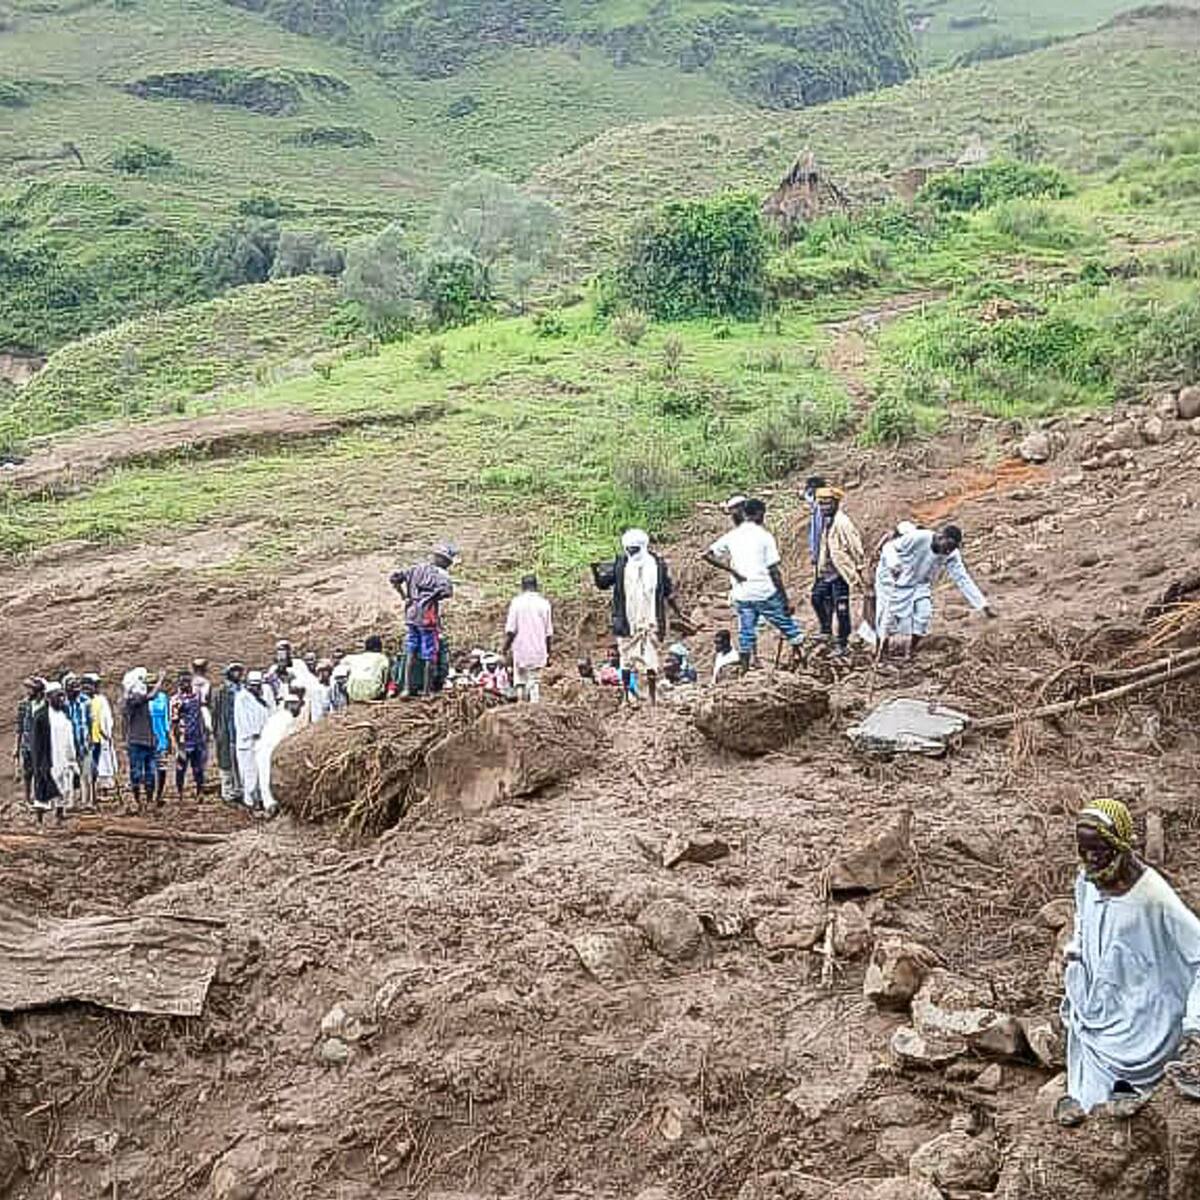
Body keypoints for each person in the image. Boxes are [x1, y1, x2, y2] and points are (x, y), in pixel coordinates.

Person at [1056, 798, 1200, 1125]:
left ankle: (1129, 1090)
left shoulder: (1153, 896)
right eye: (1083, 851)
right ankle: (1085, 1099)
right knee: (1089, 1099)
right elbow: (1083, 921)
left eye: (1098, 851)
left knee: (1123, 1094)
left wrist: (1194, 1025)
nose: (1090, 859)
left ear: (1120, 846)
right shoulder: (1087, 880)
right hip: (1102, 1008)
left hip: (1147, 1020)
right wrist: (1077, 952)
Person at [701, 497, 805, 672]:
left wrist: (733, 571)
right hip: (763, 591)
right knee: (787, 625)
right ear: (759, 514)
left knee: (746, 632)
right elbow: (774, 571)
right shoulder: (764, 536)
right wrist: (784, 600)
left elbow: (706, 555)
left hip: (742, 594)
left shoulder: (732, 536)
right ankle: (802, 659)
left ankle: (744, 670)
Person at [874, 522, 997, 658]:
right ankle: (881, 652)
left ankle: (910, 651)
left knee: (924, 614)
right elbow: (889, 547)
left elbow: (962, 578)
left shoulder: (951, 554)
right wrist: (894, 565)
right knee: (887, 617)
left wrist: (982, 605)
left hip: (919, 584)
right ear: (940, 537)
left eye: (952, 549)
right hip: (892, 578)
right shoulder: (920, 537)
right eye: (947, 546)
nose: (947, 552)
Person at [593, 529, 683, 706]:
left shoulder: (657, 565)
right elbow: (603, 584)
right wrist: (596, 572)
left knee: (651, 659)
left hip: (650, 621)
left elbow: (667, 590)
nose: (631, 552)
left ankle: (652, 697)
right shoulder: (621, 564)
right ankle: (627, 696)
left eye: (634, 549)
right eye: (629, 549)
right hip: (627, 621)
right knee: (626, 660)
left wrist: (678, 612)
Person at [392, 544, 457, 698]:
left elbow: (394, 578)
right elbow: (447, 592)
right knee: (430, 653)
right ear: (443, 560)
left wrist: (404, 596)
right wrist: (433, 597)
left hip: (411, 615)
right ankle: (427, 691)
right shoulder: (441, 574)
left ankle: (407, 688)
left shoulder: (415, 569)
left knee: (411, 650)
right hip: (427, 617)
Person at [811, 486, 867, 657]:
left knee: (841, 609)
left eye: (827, 504)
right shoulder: (828, 521)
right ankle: (826, 630)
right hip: (826, 572)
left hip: (840, 574)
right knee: (816, 598)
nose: (824, 508)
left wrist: (859, 567)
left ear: (836, 503)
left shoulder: (843, 523)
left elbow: (856, 547)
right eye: (821, 504)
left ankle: (842, 643)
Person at [504, 575, 554, 703]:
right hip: (538, 650)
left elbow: (511, 630)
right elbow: (548, 633)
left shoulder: (516, 603)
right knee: (534, 681)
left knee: (520, 681)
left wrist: (505, 647)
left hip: (520, 650)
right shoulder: (544, 604)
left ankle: (521, 705)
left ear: (522, 587)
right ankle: (534, 707)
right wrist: (549, 653)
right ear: (536, 586)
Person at [255, 691, 305, 817]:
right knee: (266, 778)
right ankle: (270, 807)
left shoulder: (278, 716)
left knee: (266, 778)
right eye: (297, 705)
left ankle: (270, 804)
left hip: (268, 749)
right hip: (268, 749)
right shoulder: (287, 719)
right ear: (290, 705)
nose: (299, 709)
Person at [122, 668, 163, 806]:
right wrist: (160, 680)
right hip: (138, 741)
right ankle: (140, 800)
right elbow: (152, 695)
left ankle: (144, 800)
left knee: (147, 773)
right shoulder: (134, 699)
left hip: (145, 740)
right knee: (139, 773)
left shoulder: (134, 699)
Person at [234, 670, 272, 809]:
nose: (256, 688)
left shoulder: (265, 693)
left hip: (263, 740)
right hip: (248, 741)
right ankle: (250, 800)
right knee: (249, 771)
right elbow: (242, 720)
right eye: (253, 685)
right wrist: (253, 732)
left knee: (263, 770)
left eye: (258, 685)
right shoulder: (242, 697)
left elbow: (270, 712)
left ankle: (262, 798)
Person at [171, 671, 210, 801]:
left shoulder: (197, 696)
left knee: (198, 768)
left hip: (197, 737)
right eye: (182, 682)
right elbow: (174, 723)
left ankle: (199, 791)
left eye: (187, 681)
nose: (185, 684)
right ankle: (180, 793)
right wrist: (177, 743)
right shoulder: (176, 700)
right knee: (181, 767)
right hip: (184, 738)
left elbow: (206, 687)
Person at [46, 682, 78, 819]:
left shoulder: (64, 715)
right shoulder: (45, 717)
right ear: (49, 697)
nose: (61, 699)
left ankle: (60, 812)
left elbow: (69, 738)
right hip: (52, 756)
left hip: (65, 756)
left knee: (65, 784)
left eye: (62, 696)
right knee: (54, 782)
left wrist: (72, 757)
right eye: (57, 696)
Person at [212, 663, 243, 805]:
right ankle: (227, 792)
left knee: (240, 761)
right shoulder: (221, 692)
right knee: (226, 762)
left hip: (240, 731)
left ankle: (239, 790)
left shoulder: (243, 690)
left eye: (239, 671)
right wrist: (217, 731)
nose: (237, 674)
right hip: (225, 731)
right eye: (234, 671)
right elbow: (215, 713)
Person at [63, 675, 95, 809]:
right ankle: (69, 802)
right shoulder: (63, 704)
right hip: (67, 744)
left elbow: (90, 721)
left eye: (76, 687)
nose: (75, 691)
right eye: (72, 688)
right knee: (68, 773)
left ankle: (87, 802)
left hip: (83, 742)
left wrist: (91, 737)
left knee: (86, 772)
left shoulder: (85, 701)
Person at [85, 674, 117, 795]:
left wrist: (106, 732)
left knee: (103, 762)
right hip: (88, 738)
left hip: (99, 737)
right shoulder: (82, 701)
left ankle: (104, 790)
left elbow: (106, 718)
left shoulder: (101, 700)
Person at [14, 677, 43, 808]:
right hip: (27, 743)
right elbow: (19, 727)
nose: (28, 691)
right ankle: (27, 797)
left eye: (30, 688)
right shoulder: (23, 705)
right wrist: (16, 746)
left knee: (39, 771)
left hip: (39, 742)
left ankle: (38, 796)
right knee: (27, 772)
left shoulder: (43, 704)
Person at [343, 635, 391, 703]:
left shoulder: (354, 658)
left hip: (353, 693)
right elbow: (385, 677)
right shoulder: (382, 658)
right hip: (373, 693)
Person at [148, 677, 172, 804]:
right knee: (150, 769)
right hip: (147, 737)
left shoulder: (163, 697)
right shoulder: (144, 699)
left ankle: (159, 794)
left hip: (161, 736)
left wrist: (168, 737)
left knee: (162, 768)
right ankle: (149, 796)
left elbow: (166, 719)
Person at [309, 659, 334, 724]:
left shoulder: (332, 685)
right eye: (321, 671)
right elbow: (318, 707)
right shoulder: (316, 687)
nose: (324, 673)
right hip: (318, 719)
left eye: (326, 671)